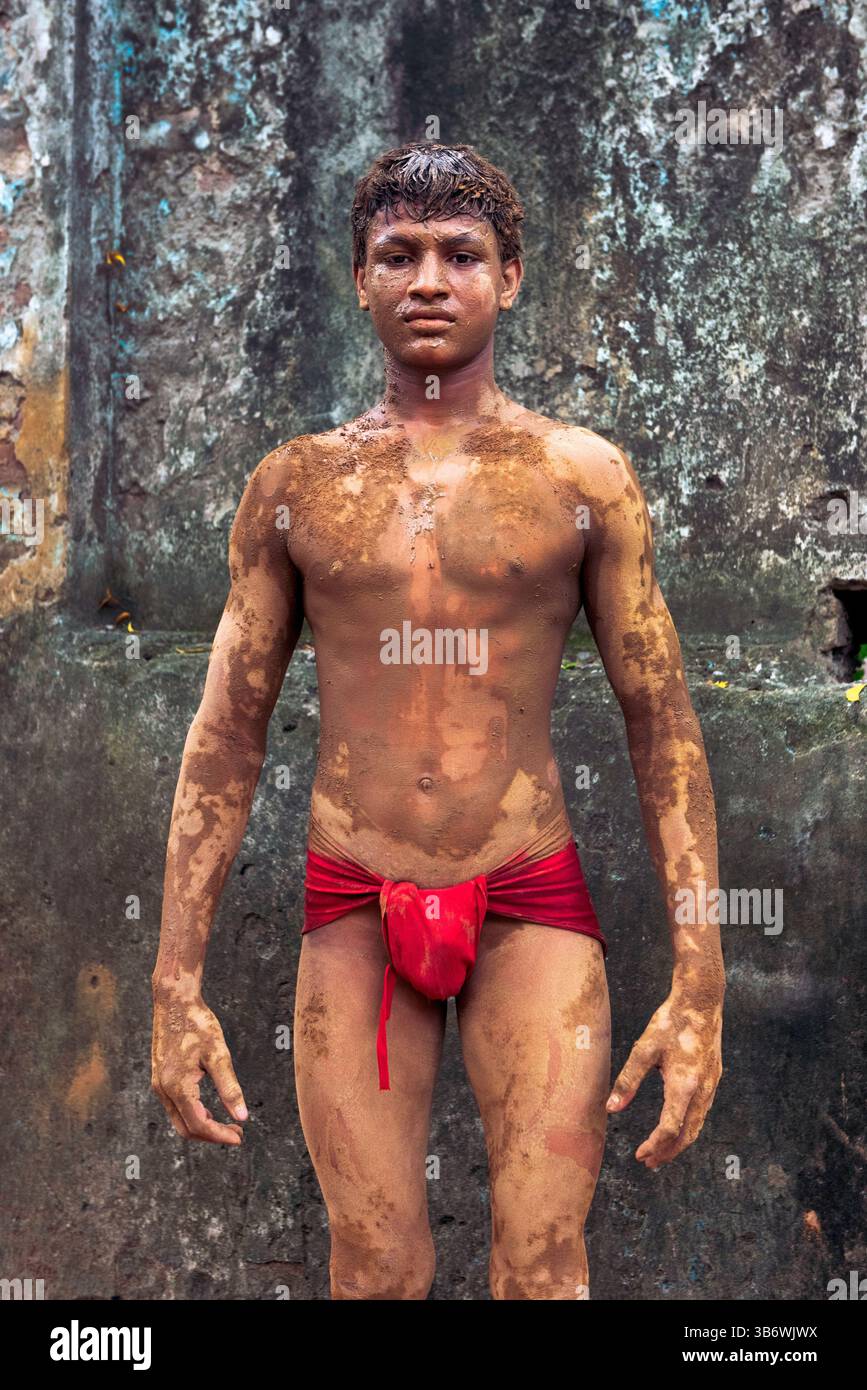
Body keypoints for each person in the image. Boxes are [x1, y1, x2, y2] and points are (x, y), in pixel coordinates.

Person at [151, 141, 725, 1300]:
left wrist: (701, 984)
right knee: (371, 1268)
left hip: (527, 892)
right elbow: (225, 736)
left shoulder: (583, 477)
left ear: (509, 278)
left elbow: (662, 728)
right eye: (396, 254)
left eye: (461, 254)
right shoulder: (296, 486)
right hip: (355, 897)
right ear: (358, 279)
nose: (427, 279)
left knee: (545, 1264)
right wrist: (173, 985)